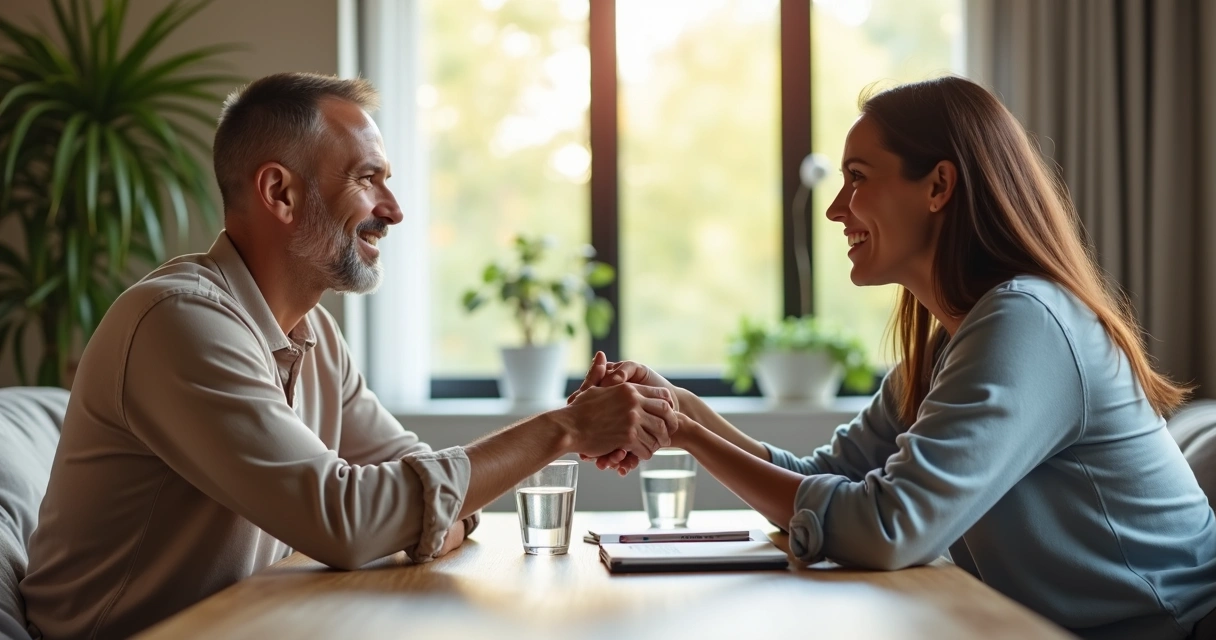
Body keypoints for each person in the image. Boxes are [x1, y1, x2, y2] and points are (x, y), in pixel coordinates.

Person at [19, 72, 677, 639]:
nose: (392, 210)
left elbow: (423, 492)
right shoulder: (179, 323)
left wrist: (413, 513)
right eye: (367, 179)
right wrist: (562, 429)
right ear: (279, 193)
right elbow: (350, 521)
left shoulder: (315, 337)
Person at [573, 76, 1216, 638]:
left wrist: (685, 431)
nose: (834, 209)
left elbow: (886, 529)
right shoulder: (955, 339)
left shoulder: (1025, 323)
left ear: (938, 185)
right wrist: (679, 410)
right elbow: (827, 477)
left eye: (857, 179)